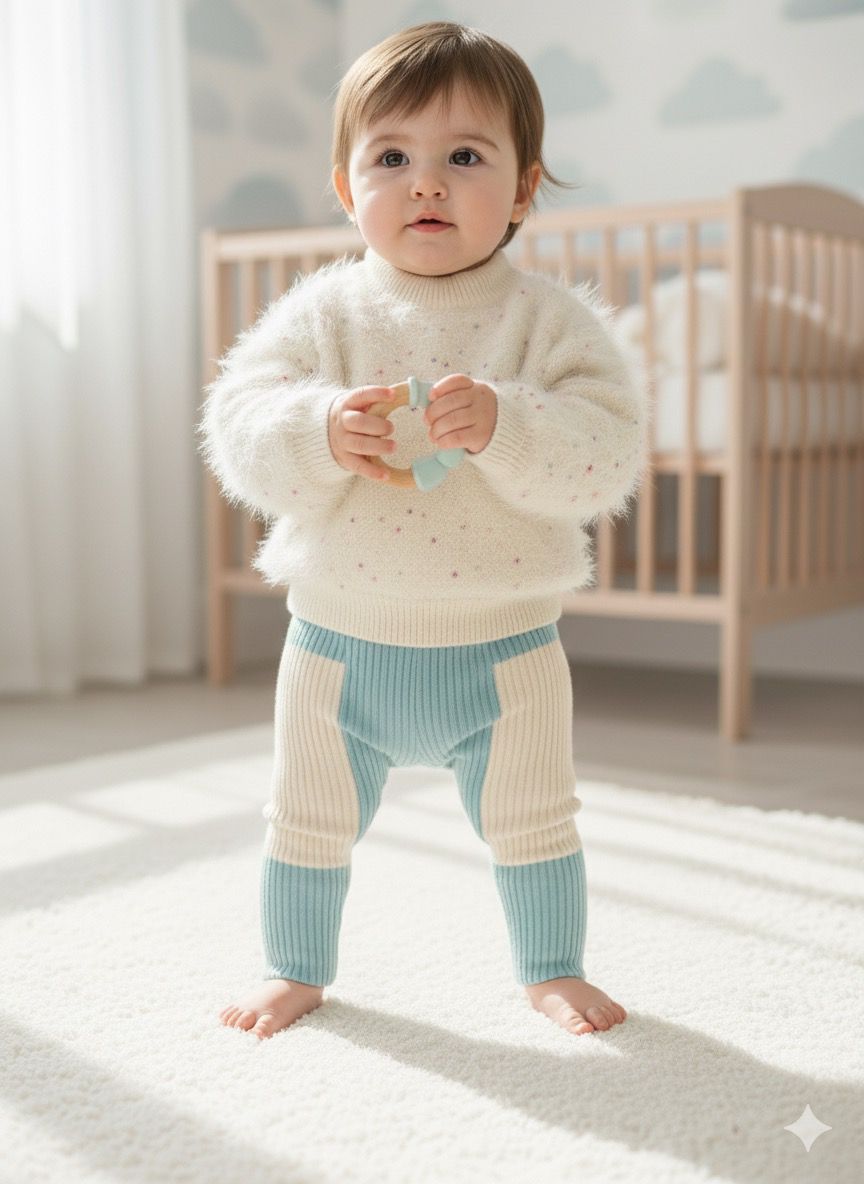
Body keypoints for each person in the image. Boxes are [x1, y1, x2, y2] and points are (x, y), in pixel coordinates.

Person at [198, 21, 648, 1041]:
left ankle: (551, 966)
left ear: (525, 189)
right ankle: (294, 965)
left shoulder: (549, 324)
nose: (427, 184)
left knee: (535, 819)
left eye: (465, 157)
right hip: (337, 644)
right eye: (392, 157)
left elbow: (608, 453)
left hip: (505, 651)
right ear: (349, 188)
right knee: (304, 821)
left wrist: (510, 421)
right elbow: (237, 430)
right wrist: (315, 427)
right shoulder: (320, 314)